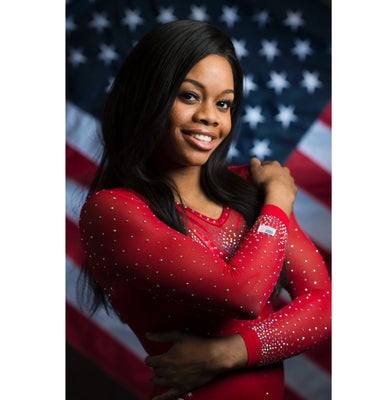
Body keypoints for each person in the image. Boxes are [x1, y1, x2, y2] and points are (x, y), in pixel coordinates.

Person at [78, 19, 331, 400]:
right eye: (189, 96)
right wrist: (279, 200)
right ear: (147, 96)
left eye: (223, 103)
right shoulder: (113, 210)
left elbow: (324, 305)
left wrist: (228, 353)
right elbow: (243, 294)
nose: (210, 116)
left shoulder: (248, 189)